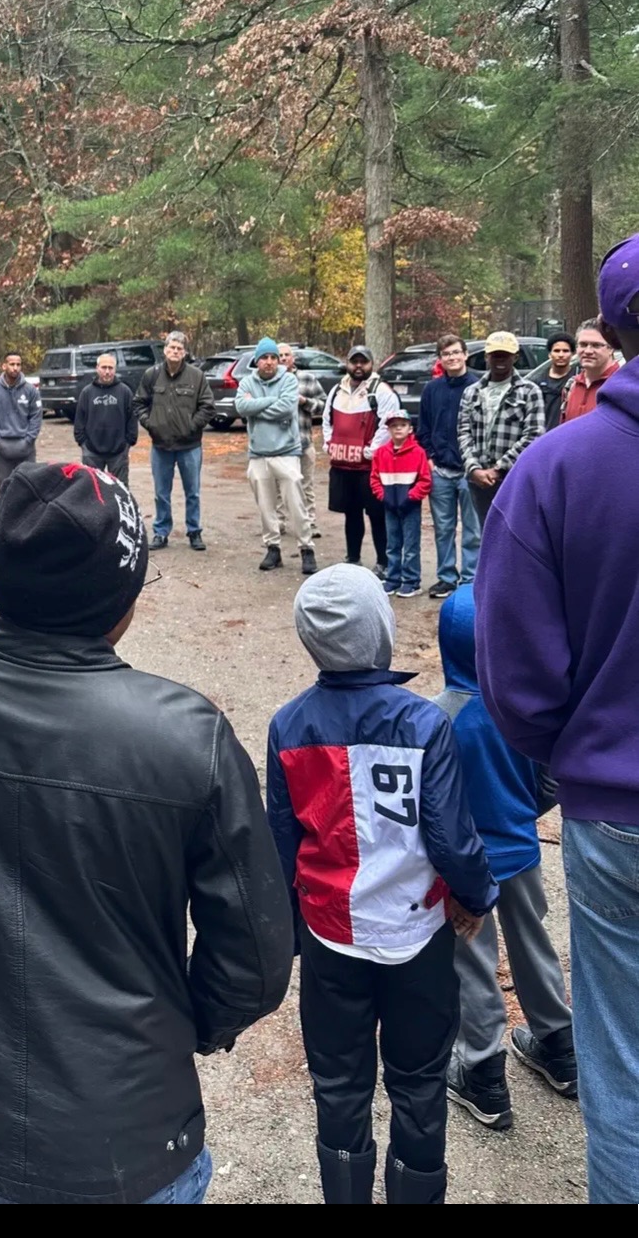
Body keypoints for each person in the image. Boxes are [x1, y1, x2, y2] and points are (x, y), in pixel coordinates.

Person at [0, 459, 292, 1205]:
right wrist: (179, 1030)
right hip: (129, 1135)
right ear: (122, 596)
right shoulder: (186, 737)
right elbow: (255, 954)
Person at [475, 233, 639, 1205]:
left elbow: (518, 673)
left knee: (620, 1060)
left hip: (614, 809)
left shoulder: (557, 469)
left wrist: (568, 756)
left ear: (611, 328)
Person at [267, 564, 496, 1206]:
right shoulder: (426, 726)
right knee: (419, 1081)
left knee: (338, 1086)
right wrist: (476, 897)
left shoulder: (288, 726)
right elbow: (453, 838)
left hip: (330, 936)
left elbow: (280, 841)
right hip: (417, 934)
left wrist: (290, 931)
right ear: (382, 631)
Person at [432, 586, 575, 1134]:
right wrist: (521, 811)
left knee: (471, 959)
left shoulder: (435, 719)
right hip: (521, 852)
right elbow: (555, 779)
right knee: (533, 940)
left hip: (462, 867)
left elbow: (428, 803)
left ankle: (482, 1071)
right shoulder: (526, 711)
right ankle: (559, 1048)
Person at [235, 337, 317, 575]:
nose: (269, 362)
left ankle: (306, 548)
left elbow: (286, 407)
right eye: (264, 358)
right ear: (257, 361)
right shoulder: (247, 383)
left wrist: (258, 406)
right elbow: (241, 408)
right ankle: (273, 548)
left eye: (273, 357)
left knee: (295, 502)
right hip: (258, 454)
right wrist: (270, 403)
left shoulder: (289, 380)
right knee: (266, 506)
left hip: (287, 451)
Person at [133, 331, 215, 552]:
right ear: (165, 350)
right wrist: (150, 424)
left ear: (185, 352)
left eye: (179, 348)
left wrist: (191, 425)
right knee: (161, 493)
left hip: (190, 446)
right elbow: (139, 403)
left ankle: (194, 531)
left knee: (193, 492)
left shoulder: (196, 376)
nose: (175, 351)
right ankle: (161, 532)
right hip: (161, 446)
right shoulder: (152, 375)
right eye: (172, 348)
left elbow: (208, 406)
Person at [321, 345, 399, 576]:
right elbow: (327, 420)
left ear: (371, 364)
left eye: (363, 362)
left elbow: (388, 424)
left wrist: (370, 451)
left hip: (370, 469)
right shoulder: (337, 390)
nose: (358, 366)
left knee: (377, 515)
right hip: (343, 467)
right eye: (354, 361)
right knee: (351, 513)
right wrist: (328, 444)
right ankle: (352, 558)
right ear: (347, 363)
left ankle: (383, 562)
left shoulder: (381, 392)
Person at [417, 333, 481, 599]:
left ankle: (470, 578)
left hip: (471, 471)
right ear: (440, 359)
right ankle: (446, 577)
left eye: (456, 352)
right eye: (446, 354)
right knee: (443, 528)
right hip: (441, 470)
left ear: (465, 354)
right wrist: (431, 457)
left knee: (473, 529)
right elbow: (423, 427)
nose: (452, 358)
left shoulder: (478, 385)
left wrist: (478, 463)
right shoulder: (432, 390)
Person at [457, 332, 544, 527]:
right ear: (487, 356)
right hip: (478, 481)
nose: (500, 360)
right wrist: (474, 468)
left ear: (516, 357)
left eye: (506, 355)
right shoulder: (472, 392)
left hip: (514, 478)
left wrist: (499, 469)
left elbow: (534, 434)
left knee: (515, 531)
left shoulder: (529, 391)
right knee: (485, 532)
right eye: (495, 355)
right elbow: (464, 431)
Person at [369, 409, 431, 598]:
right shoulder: (381, 453)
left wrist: (412, 497)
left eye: (402, 425)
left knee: (411, 545)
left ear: (410, 429)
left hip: (410, 506)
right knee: (392, 544)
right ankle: (393, 578)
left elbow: (425, 480)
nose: (398, 429)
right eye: (394, 426)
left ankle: (412, 581)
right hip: (390, 506)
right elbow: (374, 479)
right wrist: (383, 496)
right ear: (388, 429)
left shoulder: (418, 452)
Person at [72, 350, 138, 485]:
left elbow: (132, 420)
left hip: (118, 453)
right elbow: (79, 421)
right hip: (92, 452)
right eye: (103, 367)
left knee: (120, 491)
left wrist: (127, 443)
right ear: (97, 369)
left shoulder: (125, 392)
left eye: (110, 368)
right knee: (92, 491)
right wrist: (83, 443)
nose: (107, 371)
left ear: (115, 369)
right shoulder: (87, 392)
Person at [278, 342, 323, 539]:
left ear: (293, 358)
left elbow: (324, 405)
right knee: (279, 486)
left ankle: (309, 522)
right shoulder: (270, 381)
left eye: (287, 355)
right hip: (279, 445)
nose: (283, 359)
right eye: (279, 355)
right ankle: (278, 522)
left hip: (304, 441)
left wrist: (305, 401)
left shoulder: (307, 378)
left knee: (306, 485)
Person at [0, 351, 42, 488]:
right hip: (3, 449)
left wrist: (28, 439)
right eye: (12, 364)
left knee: (28, 490)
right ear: (4, 366)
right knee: (4, 490)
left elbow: (36, 417)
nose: (15, 368)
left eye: (18, 364)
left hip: (26, 449)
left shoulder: (30, 391)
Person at [560, 318, 618, 423]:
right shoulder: (571, 386)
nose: (588, 351)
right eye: (583, 344)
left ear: (611, 348)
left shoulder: (622, 387)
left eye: (596, 345)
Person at [527, 330, 575, 431]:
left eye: (565, 351)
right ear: (549, 354)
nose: (561, 355)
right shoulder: (537, 380)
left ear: (572, 354)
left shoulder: (577, 379)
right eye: (557, 351)